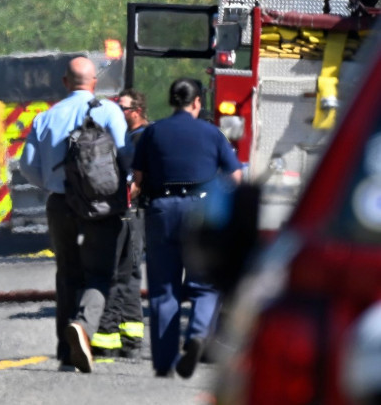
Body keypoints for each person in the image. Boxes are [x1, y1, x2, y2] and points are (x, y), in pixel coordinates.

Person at [21, 56, 127, 374]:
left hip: (60, 204)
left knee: (67, 274)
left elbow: (27, 165)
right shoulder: (109, 111)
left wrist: (53, 186)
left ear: (66, 82)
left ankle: (66, 351)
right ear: (94, 82)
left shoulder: (46, 117)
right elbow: (125, 154)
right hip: (100, 205)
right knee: (99, 273)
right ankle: (83, 326)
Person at [132, 78, 242, 379]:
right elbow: (235, 178)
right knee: (205, 285)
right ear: (196, 103)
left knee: (164, 289)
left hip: (163, 211)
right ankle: (196, 335)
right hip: (202, 211)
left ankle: (165, 363)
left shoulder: (152, 132)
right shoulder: (211, 133)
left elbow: (138, 180)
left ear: (172, 101)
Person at [93, 88, 150, 361]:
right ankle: (128, 338)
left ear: (136, 111)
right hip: (129, 212)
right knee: (126, 273)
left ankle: (121, 339)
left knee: (124, 273)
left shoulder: (141, 139)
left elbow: (138, 182)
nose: (117, 111)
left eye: (123, 108)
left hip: (133, 212)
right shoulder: (128, 138)